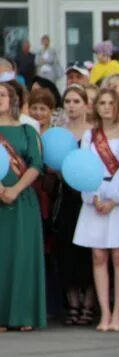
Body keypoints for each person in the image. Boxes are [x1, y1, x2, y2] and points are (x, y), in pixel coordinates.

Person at [72, 88, 119, 332]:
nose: (107, 107)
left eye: (111, 103)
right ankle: (105, 311)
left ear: (117, 106)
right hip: (95, 197)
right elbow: (83, 167)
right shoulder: (90, 136)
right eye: (102, 103)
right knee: (98, 256)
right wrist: (95, 196)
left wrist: (115, 199)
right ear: (96, 106)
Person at [0, 82, 46, 331]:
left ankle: (24, 314)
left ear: (13, 99)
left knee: (23, 256)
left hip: (23, 200)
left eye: (3, 95)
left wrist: (15, 190)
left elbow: (36, 165)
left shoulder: (28, 131)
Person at [55, 86, 95, 326]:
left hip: (88, 197)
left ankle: (89, 303)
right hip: (66, 197)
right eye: (68, 101)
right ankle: (73, 302)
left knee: (88, 251)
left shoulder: (92, 133)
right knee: (66, 250)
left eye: (76, 101)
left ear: (86, 104)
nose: (71, 105)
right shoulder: (57, 134)